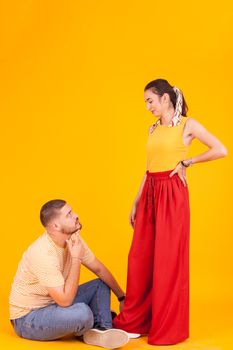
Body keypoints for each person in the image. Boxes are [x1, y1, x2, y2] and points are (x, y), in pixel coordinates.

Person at [113, 78, 227, 345]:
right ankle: (136, 322)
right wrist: (136, 200)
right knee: (140, 258)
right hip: (151, 191)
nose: (147, 106)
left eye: (150, 101)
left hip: (172, 194)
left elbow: (220, 149)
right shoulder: (152, 129)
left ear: (165, 98)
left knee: (167, 262)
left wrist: (188, 161)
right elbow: (149, 166)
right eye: (145, 102)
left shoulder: (188, 125)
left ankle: (166, 328)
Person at [9, 199, 129, 349]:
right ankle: (94, 319)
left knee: (100, 284)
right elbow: (64, 301)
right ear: (56, 226)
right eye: (69, 214)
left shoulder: (72, 239)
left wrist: (122, 297)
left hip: (53, 303)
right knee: (83, 313)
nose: (76, 215)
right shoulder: (42, 253)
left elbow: (99, 269)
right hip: (28, 318)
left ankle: (102, 330)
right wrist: (76, 258)